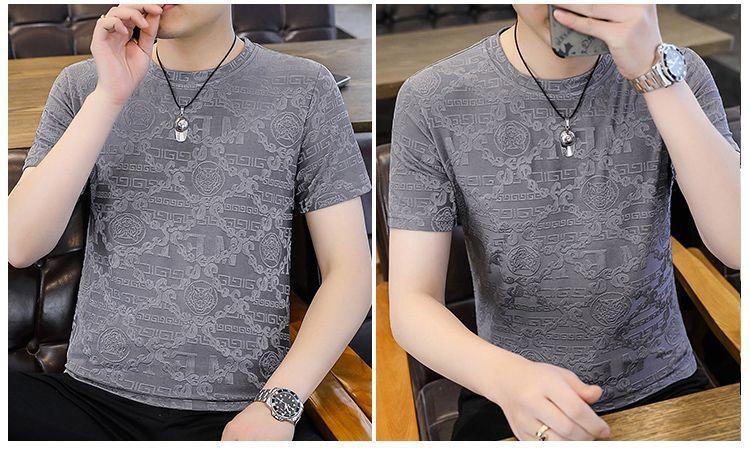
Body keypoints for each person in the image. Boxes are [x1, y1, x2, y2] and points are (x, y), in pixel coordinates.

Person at [8, 4, 372, 441]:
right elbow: (20, 245)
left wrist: (278, 404)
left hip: (240, 411)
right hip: (90, 400)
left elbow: (350, 271)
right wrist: (110, 96)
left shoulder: (306, 87)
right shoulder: (83, 84)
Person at [388, 4, 739, 441]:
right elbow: (412, 303)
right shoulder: (432, 99)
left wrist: (653, 72)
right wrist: (506, 378)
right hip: (508, 390)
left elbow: (736, 244)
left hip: (665, 385)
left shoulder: (679, 71)